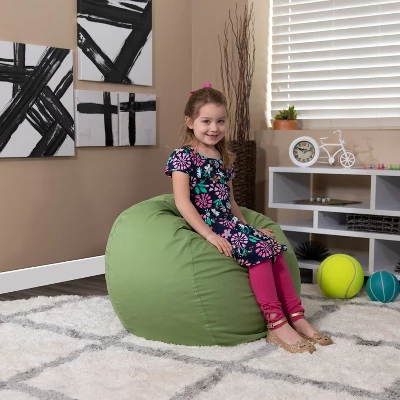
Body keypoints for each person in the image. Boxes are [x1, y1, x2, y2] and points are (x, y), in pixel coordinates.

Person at [165, 83, 333, 353]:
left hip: (229, 224)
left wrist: (248, 229)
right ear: (190, 122)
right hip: (208, 224)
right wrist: (209, 235)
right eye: (206, 121)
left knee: (274, 247)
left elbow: (230, 201)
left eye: (220, 121)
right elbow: (182, 202)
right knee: (259, 252)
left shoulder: (223, 157)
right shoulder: (183, 157)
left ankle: (297, 316)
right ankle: (276, 323)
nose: (214, 128)